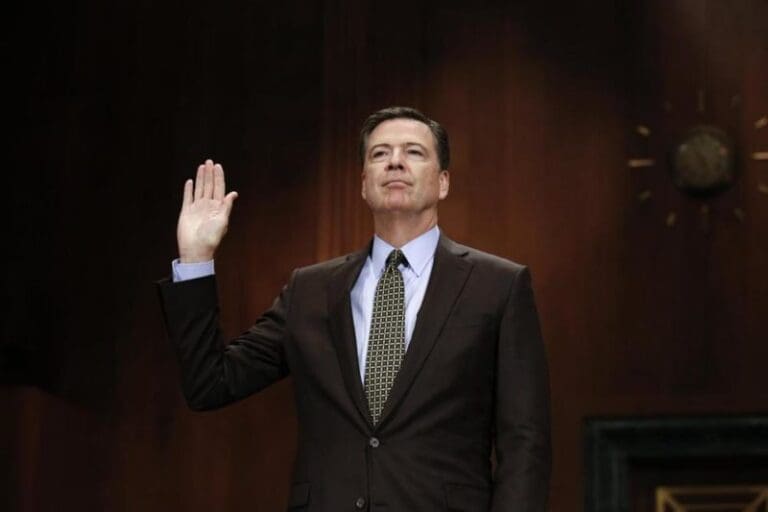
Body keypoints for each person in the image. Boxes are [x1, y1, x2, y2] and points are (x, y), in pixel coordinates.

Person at [158, 106, 551, 511]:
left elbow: (525, 443)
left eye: (414, 152)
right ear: (364, 185)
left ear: (443, 182)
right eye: (380, 153)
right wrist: (195, 259)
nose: (395, 161)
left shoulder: (498, 286)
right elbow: (211, 383)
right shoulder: (310, 290)